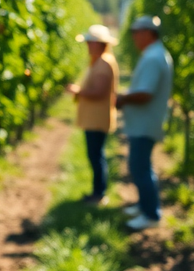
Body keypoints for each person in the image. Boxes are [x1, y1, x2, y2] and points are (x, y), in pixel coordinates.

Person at [115, 15, 174, 230]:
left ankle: (151, 215)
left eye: (136, 33)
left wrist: (123, 98)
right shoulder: (155, 54)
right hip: (145, 121)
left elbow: (145, 94)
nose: (134, 38)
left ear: (148, 33)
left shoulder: (153, 57)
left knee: (140, 167)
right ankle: (144, 206)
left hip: (145, 123)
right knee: (141, 165)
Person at [67, 24, 120, 206]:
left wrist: (78, 91)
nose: (88, 46)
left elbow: (99, 92)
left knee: (96, 155)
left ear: (99, 44)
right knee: (95, 155)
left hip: (97, 119)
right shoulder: (99, 61)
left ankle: (99, 194)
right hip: (94, 117)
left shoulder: (103, 63)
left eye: (91, 42)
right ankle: (97, 192)